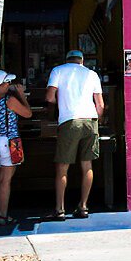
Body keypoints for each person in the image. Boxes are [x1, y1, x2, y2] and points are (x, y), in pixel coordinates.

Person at [47, 50, 103, 219]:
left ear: (67, 59)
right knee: (87, 165)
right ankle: (84, 206)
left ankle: (59, 209)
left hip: (69, 120)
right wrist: (97, 121)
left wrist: (61, 105)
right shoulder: (92, 74)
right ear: (82, 61)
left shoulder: (58, 70)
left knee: (63, 166)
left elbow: (49, 97)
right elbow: (100, 104)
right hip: (90, 120)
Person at [0, 71, 31, 225]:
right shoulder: (10, 100)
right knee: (5, 181)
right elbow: (28, 114)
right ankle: (2, 215)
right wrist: (21, 95)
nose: (9, 86)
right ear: (0, 86)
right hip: (8, 141)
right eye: (7, 83)